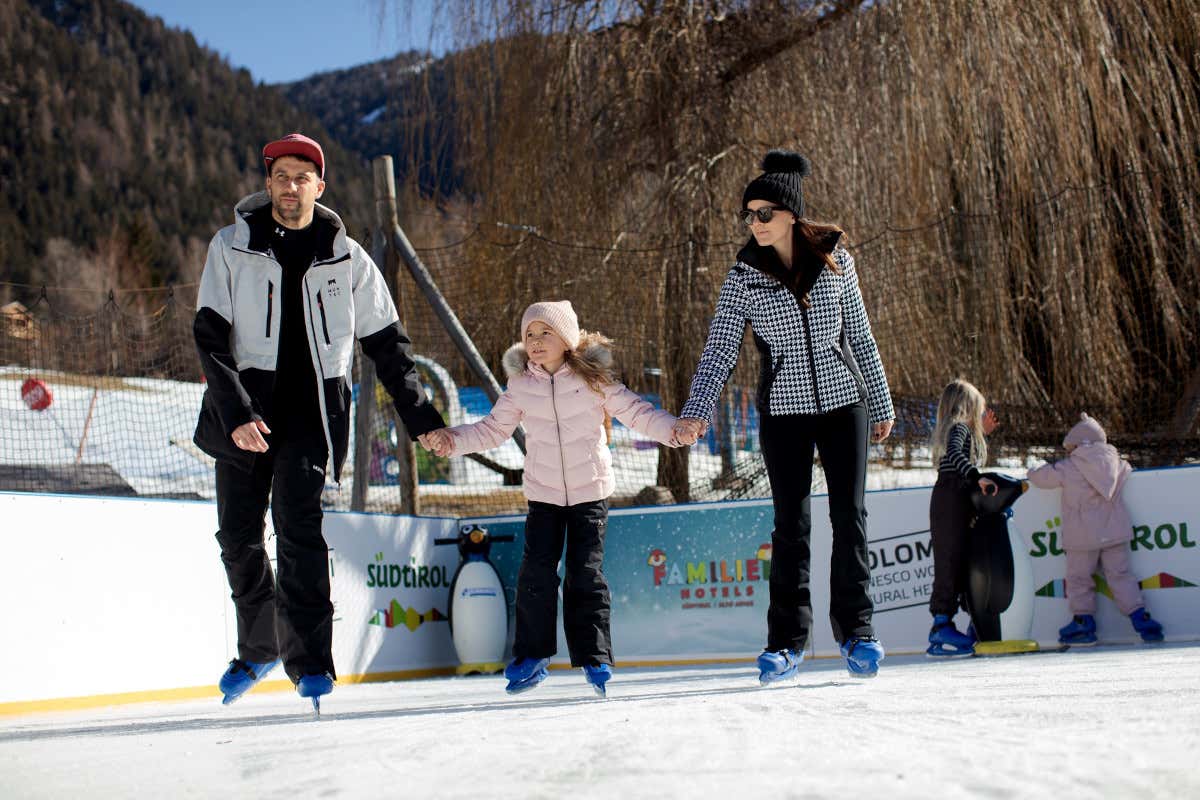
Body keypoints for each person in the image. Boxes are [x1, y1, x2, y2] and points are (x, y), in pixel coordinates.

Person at [193, 133, 445, 707]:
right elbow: (209, 337)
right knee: (237, 537)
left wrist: (421, 419)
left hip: (311, 416)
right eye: (281, 176)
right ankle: (258, 647)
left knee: (299, 531)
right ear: (268, 184)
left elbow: (389, 346)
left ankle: (310, 663)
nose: (291, 186)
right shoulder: (230, 247)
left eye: (301, 177)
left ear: (320, 186)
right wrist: (236, 413)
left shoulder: (347, 258)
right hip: (245, 410)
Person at [673, 151, 896, 681]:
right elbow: (720, 350)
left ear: (791, 213)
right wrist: (697, 411)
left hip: (844, 404)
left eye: (764, 213)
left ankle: (858, 632)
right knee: (791, 526)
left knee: (850, 517)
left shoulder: (837, 260)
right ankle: (786, 643)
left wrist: (881, 401)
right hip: (784, 411)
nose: (755, 223)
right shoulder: (743, 276)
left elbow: (860, 335)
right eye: (748, 215)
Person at [421, 301, 688, 696]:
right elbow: (492, 430)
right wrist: (451, 440)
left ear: (566, 339)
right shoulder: (521, 386)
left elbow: (636, 412)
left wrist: (673, 431)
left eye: (545, 332)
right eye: (530, 334)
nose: (536, 340)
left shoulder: (593, 379)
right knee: (536, 572)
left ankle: (594, 655)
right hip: (544, 495)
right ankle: (532, 656)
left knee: (585, 573)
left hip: (590, 492)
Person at [1027, 413, 1164, 646]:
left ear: (1078, 445)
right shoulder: (1117, 463)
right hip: (1114, 533)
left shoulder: (1068, 467)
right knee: (1120, 576)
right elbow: (1128, 470)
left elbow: (1042, 478)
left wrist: (1033, 470)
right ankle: (1142, 618)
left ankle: (1083, 622)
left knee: (1079, 579)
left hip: (1082, 537)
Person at [926, 378, 999, 657]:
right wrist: (976, 477)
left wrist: (983, 435)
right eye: (978, 408)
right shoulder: (958, 428)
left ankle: (971, 620)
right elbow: (956, 454)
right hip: (951, 499)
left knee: (966, 559)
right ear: (966, 406)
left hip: (958, 498)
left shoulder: (963, 430)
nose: (981, 414)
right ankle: (941, 625)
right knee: (950, 560)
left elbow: (965, 454)